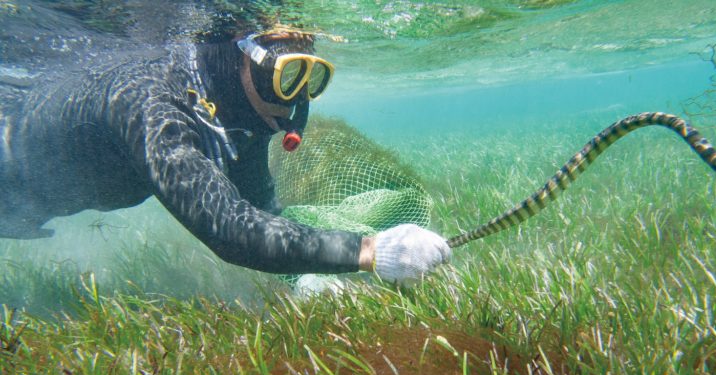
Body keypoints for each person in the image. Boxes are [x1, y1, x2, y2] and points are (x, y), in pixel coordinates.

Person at [0, 24, 450, 285]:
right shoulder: (152, 99)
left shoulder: (236, 106)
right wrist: (369, 250)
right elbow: (230, 229)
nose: (297, 99)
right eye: (288, 76)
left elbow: (256, 206)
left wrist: (304, 272)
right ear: (246, 61)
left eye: (312, 80)